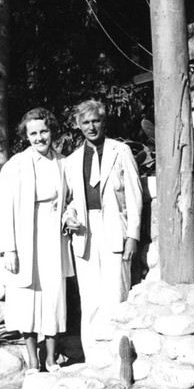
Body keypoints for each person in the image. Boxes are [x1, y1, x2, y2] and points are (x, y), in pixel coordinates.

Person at [0, 107, 74, 374]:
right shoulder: (14, 166)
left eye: (44, 131)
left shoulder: (64, 163)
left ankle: (51, 358)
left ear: (51, 131)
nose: (40, 137)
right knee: (27, 298)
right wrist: (9, 249)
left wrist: (69, 215)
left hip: (53, 237)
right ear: (26, 136)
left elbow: (71, 200)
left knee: (53, 296)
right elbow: (3, 210)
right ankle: (32, 359)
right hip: (25, 238)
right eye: (33, 133)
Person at [64, 99, 142, 362]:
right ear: (78, 126)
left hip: (115, 232)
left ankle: (120, 358)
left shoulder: (120, 151)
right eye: (85, 122)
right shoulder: (73, 160)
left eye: (95, 121)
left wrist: (133, 236)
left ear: (103, 121)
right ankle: (95, 358)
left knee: (117, 293)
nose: (91, 127)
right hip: (85, 234)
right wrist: (69, 217)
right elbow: (70, 201)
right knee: (90, 298)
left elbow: (134, 195)